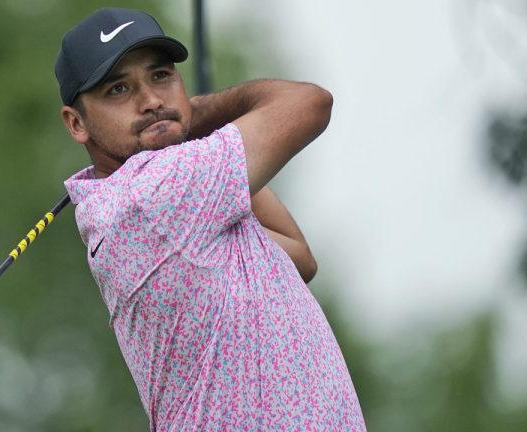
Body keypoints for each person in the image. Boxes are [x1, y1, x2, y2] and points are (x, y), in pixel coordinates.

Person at [55, 7, 366, 431]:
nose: (151, 101)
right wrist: (200, 113)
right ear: (76, 123)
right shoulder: (153, 193)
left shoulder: (174, 204)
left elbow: (298, 257)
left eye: (161, 76)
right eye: (118, 89)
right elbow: (309, 103)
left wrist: (187, 131)